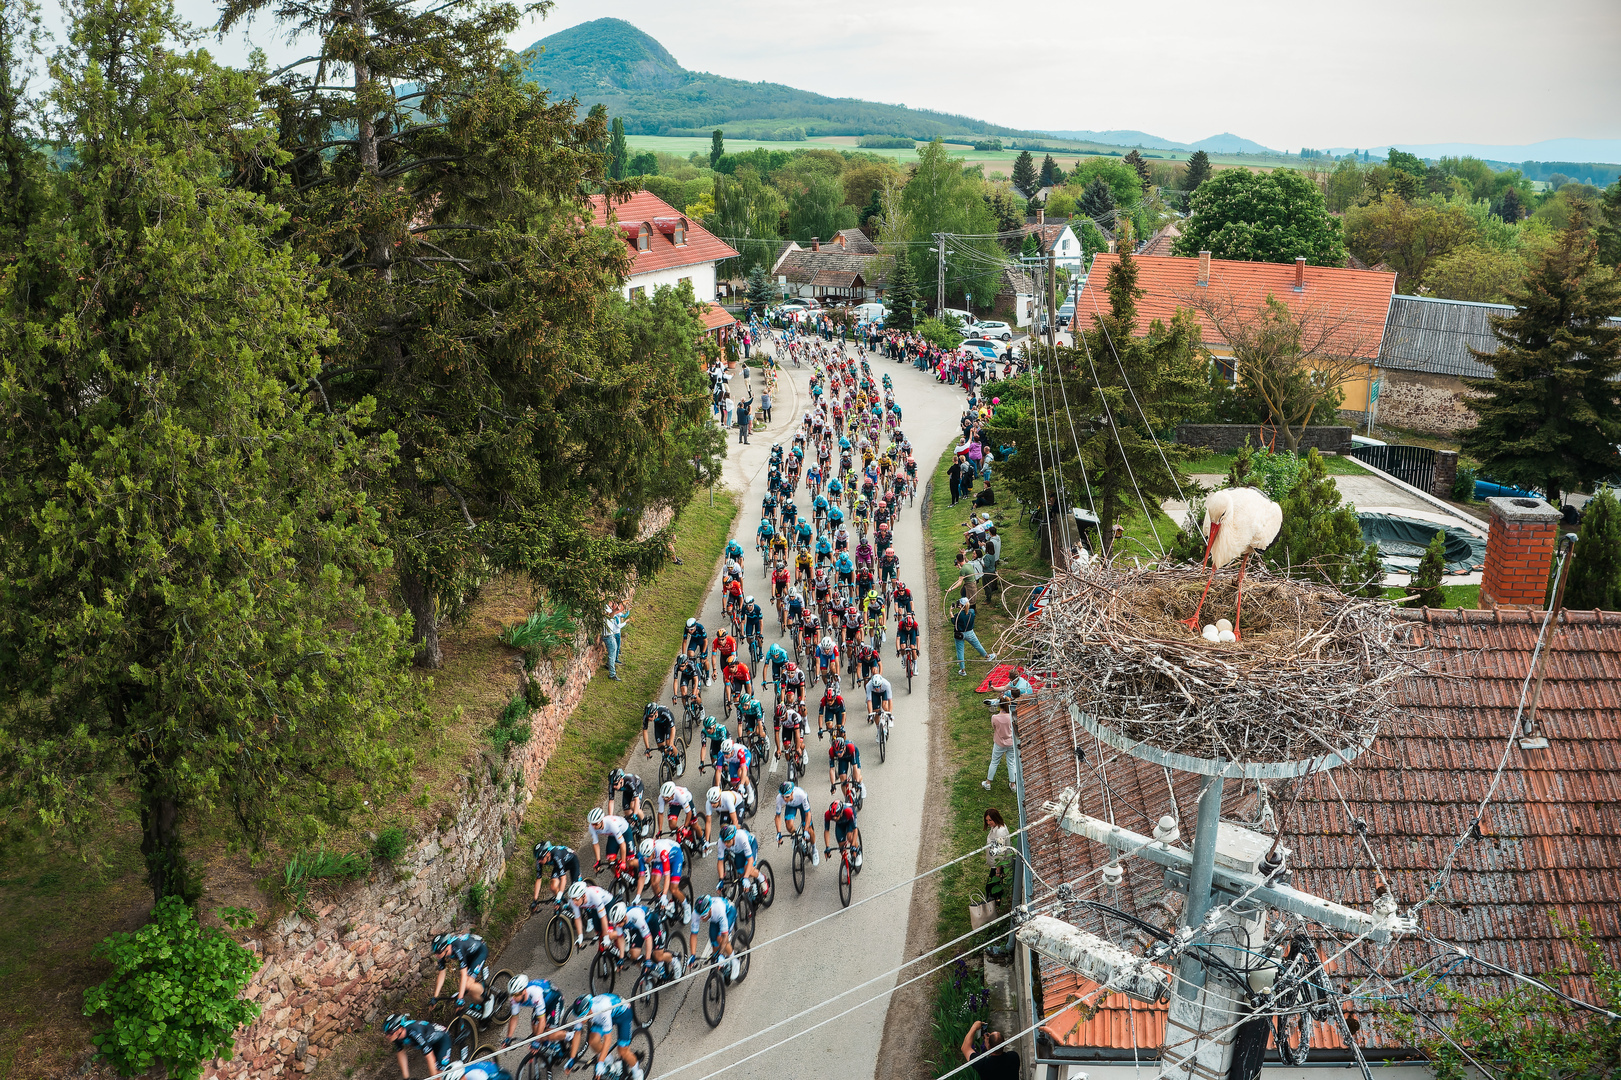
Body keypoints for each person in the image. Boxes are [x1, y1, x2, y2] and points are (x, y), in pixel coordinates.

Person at [566, 993, 645, 1080]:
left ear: (589, 1011)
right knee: (593, 1041)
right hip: (603, 1017)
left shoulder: (602, 1009)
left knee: (623, 1051)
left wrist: (600, 1062)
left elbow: (608, 1039)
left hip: (622, 1014)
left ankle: (638, 1074)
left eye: (581, 1018)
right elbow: (577, 1033)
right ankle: (610, 1062)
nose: (579, 1020)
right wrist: (572, 1058)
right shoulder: (580, 1013)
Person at [429, 932, 490, 1016]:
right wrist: (435, 997)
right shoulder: (442, 953)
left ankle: (488, 1000)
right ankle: (480, 1003)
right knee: (465, 991)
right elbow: (441, 973)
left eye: (438, 952)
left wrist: (460, 999)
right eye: (435, 953)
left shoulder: (457, 948)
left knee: (468, 985)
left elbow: (463, 974)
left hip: (480, 951)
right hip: (468, 954)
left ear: (447, 947)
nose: (436, 955)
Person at [501, 973, 565, 1048]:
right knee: (535, 1029)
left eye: (516, 994)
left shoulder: (535, 993)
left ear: (524, 991)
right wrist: (508, 1037)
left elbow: (542, 1021)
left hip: (555, 1000)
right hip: (541, 1002)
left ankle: (571, 1036)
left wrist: (537, 1041)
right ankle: (547, 1044)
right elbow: (514, 1018)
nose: (514, 998)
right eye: (512, 995)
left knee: (550, 1034)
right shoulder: (514, 999)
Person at [384, 1014, 455, 1080]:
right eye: (386, 1033)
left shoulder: (415, 1032)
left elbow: (429, 1056)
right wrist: (406, 1078)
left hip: (442, 1040)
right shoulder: (397, 1036)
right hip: (430, 1043)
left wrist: (433, 1077)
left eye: (390, 1033)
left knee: (438, 1074)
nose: (387, 1036)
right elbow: (401, 1053)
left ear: (399, 1029)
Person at [952, 597, 996, 677]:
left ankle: (963, 670)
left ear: (960, 605)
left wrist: (951, 612)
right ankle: (988, 657)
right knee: (977, 645)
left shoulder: (958, 615)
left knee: (960, 651)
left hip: (959, 634)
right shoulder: (972, 612)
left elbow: (953, 621)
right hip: (970, 633)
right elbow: (966, 613)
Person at [983, 696, 1018, 790]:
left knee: (994, 762)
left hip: (999, 743)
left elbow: (994, 727)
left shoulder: (995, 718)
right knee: (1011, 763)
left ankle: (988, 783)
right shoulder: (1012, 716)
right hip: (1011, 742)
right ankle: (1013, 784)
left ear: (1000, 705)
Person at [533, 842, 580, 909]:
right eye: (538, 859)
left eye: (541, 858)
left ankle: (587, 907)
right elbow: (538, 879)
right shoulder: (539, 861)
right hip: (560, 864)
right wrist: (535, 900)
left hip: (572, 861)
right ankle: (565, 903)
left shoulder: (556, 856)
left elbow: (563, 879)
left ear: (548, 854)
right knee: (553, 887)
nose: (539, 861)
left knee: (575, 891)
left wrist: (558, 897)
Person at [601, 601, 627, 681]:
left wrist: (617, 610)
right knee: (612, 654)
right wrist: (615, 610)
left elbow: (612, 615)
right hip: (608, 636)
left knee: (614, 651)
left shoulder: (608, 609)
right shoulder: (606, 608)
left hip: (610, 635)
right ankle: (612, 674)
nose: (613, 603)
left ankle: (608, 665)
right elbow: (609, 616)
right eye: (612, 602)